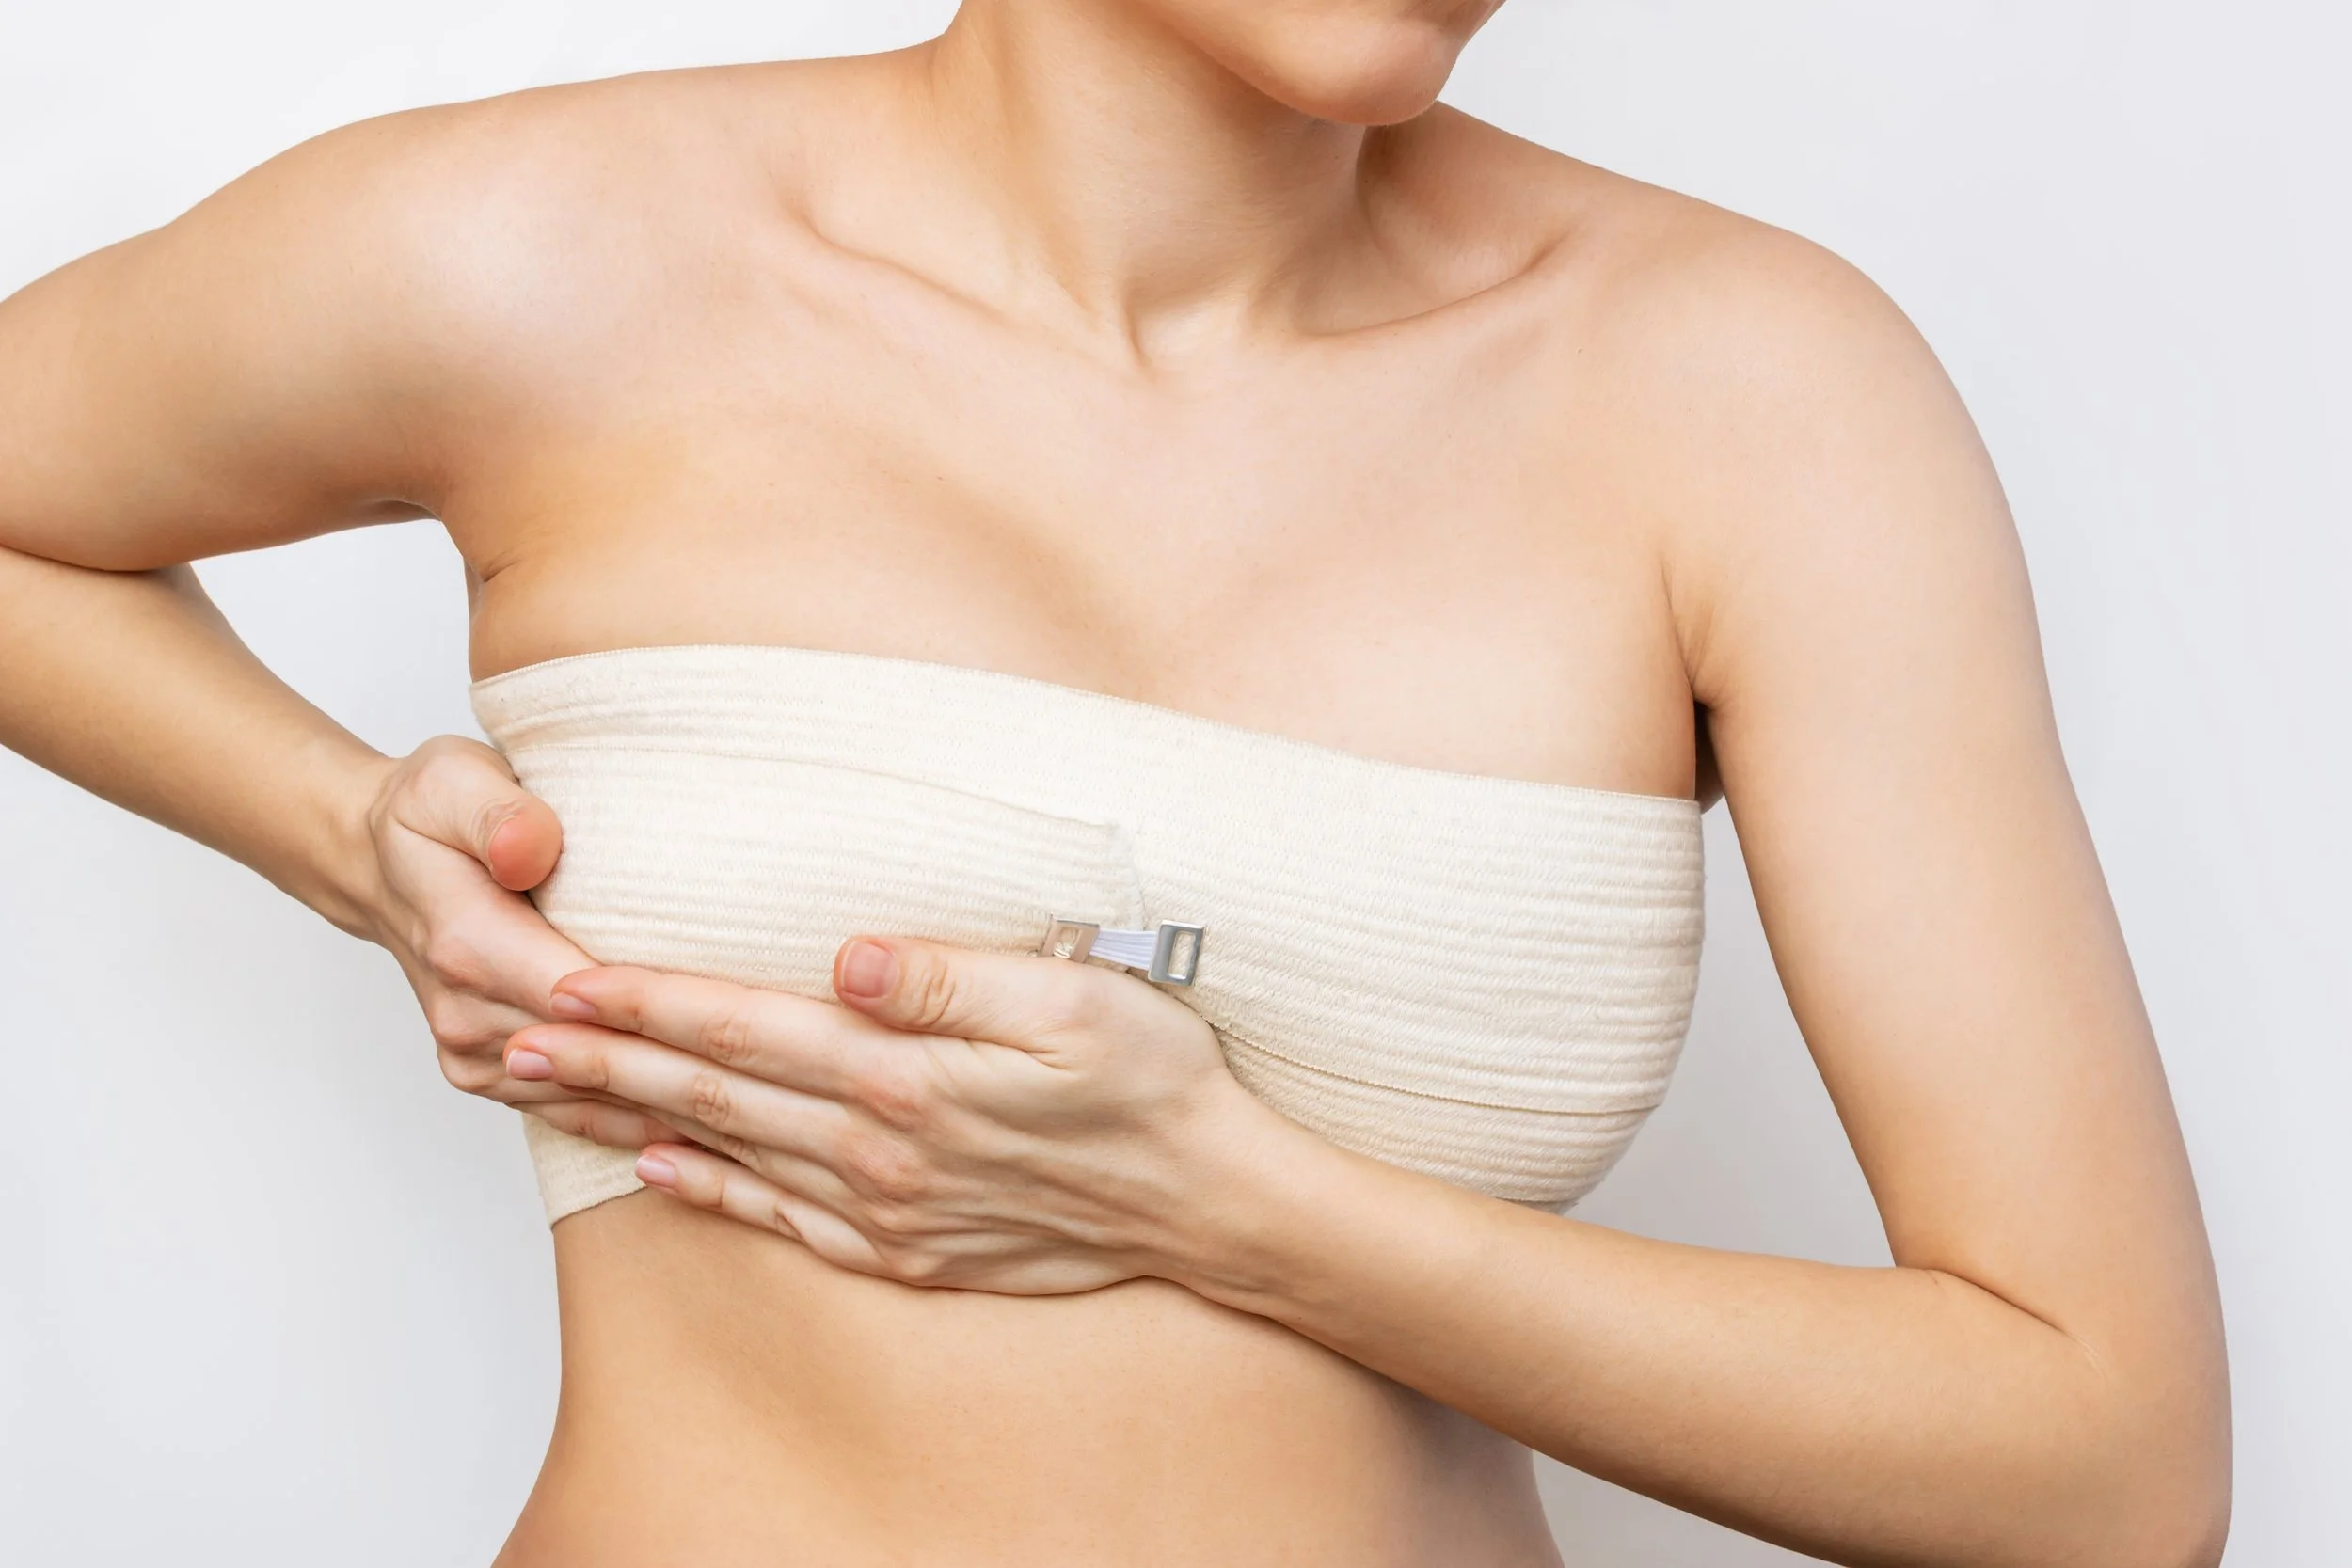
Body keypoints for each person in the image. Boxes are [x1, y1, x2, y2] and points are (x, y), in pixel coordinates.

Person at [0, 3, 2230, 1564]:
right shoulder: (551, 248)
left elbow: (2104, 1470)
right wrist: (340, 838)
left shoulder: (1753, 396)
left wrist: (1227, 1199)